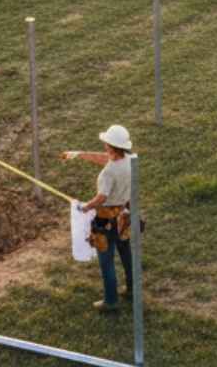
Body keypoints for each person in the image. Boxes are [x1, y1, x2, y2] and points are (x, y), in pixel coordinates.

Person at [61, 124, 134, 312]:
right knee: (126, 253)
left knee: (106, 261)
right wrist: (80, 154)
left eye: (106, 143)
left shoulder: (108, 173)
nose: (104, 145)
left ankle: (111, 301)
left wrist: (85, 207)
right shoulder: (131, 160)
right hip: (124, 215)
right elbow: (107, 159)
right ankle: (132, 290)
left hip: (106, 220)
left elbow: (102, 197)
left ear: (111, 146)